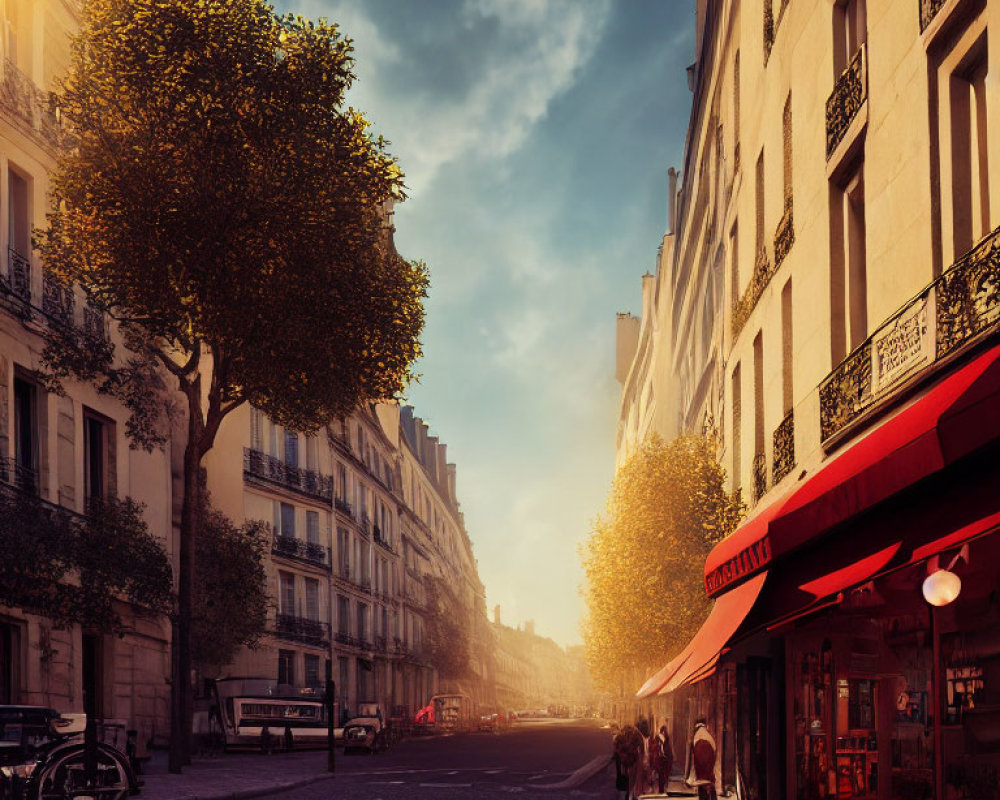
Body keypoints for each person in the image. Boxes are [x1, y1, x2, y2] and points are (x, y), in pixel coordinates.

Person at [686, 716, 721, 800]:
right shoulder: (709, 736)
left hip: (700, 769)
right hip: (709, 770)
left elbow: (693, 757)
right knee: (710, 785)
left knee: (702, 787)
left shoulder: (696, 736)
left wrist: (689, 775)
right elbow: (714, 752)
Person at [650, 723, 674, 794]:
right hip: (660, 761)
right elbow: (657, 750)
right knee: (660, 777)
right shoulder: (659, 740)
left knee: (661, 777)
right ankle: (660, 791)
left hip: (662, 761)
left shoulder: (664, 740)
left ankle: (661, 790)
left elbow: (667, 752)